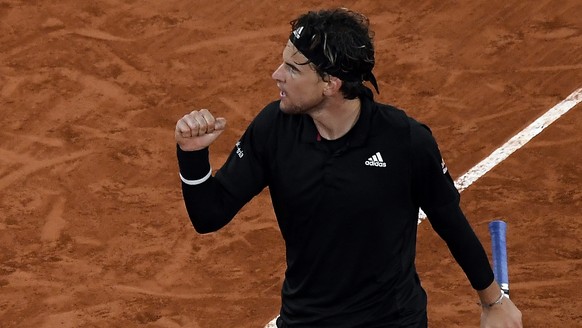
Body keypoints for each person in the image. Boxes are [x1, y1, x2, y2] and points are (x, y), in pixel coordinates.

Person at [174, 8, 523, 328]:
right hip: (305, 321)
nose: (276, 74)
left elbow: (449, 220)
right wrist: (192, 155)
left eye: (293, 68)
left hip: (391, 321)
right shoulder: (274, 130)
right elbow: (209, 215)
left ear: (330, 83)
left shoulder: (405, 141)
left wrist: (493, 302)